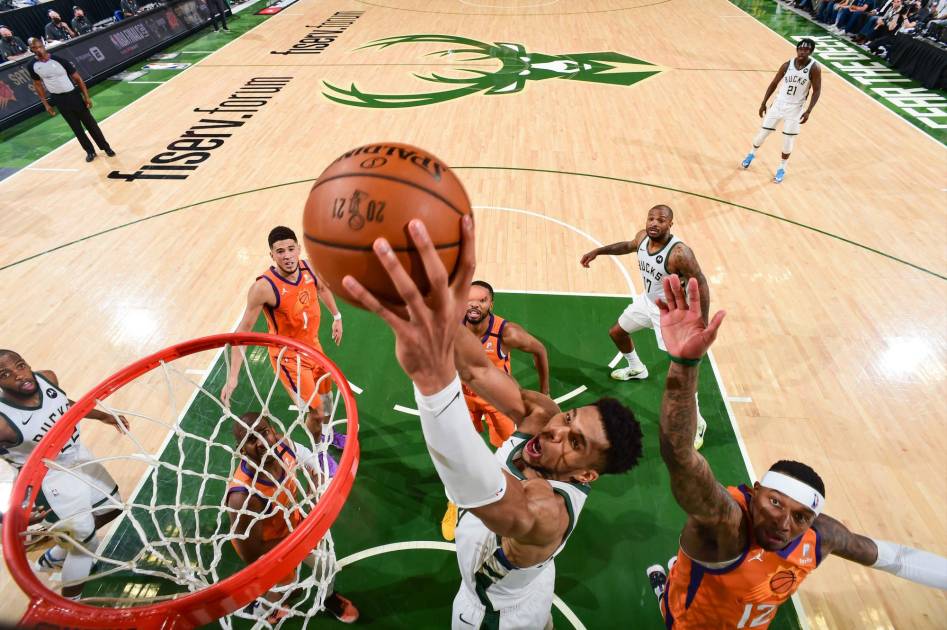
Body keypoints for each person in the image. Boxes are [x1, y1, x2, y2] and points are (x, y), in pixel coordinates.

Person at [343, 217, 644, 629]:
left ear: (587, 474)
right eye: (569, 418)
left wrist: (432, 386)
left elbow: (476, 487)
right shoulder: (543, 416)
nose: (555, 431)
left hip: (494, 616)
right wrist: (439, 313)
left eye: (574, 442)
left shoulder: (547, 513)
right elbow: (479, 371)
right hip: (533, 583)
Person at [644, 274, 947, 628]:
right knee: (675, 611)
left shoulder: (820, 536)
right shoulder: (727, 526)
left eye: (801, 517)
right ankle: (668, 592)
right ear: (755, 491)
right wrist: (684, 366)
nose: (784, 523)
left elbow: (895, 558)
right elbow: (680, 455)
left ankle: (675, 580)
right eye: (775, 502)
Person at [0, 350, 128, 599]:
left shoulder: (47, 378)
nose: (19, 375)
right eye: (5, 374)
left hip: (78, 458)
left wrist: (103, 416)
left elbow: (64, 404)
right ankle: (69, 603)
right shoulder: (3, 423)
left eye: (20, 365)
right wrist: (9, 514)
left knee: (112, 509)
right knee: (85, 548)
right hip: (50, 482)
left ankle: (55, 556)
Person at [579, 204, 709, 449]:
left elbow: (700, 282)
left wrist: (703, 321)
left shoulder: (680, 253)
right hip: (647, 302)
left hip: (672, 314)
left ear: (670, 224)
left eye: (661, 220)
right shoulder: (642, 238)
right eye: (651, 218)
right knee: (617, 333)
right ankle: (637, 368)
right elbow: (627, 245)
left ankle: (698, 422)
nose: (654, 223)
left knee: (681, 374)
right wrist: (599, 251)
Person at [221, 226, 345, 471]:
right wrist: (232, 376)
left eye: (290, 249)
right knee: (316, 412)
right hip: (289, 358)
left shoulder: (309, 268)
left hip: (314, 348)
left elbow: (322, 289)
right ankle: (319, 450)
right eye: (280, 251)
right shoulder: (264, 288)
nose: (287, 256)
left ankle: (328, 433)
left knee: (327, 398)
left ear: (298, 249)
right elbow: (242, 333)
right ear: (272, 255)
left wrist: (337, 316)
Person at [441, 279, 551, 541]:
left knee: (511, 454)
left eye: (481, 300)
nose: (474, 305)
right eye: (469, 299)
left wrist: (545, 392)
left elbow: (539, 350)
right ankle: (455, 501)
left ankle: (511, 502)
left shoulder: (506, 333)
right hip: (463, 399)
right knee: (458, 453)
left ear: (491, 303)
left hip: (497, 401)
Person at [227, 411, 358, 623]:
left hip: (294, 526)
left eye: (264, 432)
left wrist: (317, 480)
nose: (261, 442)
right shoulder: (243, 497)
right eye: (251, 439)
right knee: (284, 589)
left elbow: (310, 460)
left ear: (272, 431)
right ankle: (262, 610)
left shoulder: (283, 445)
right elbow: (251, 553)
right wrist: (297, 539)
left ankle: (328, 599)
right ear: (241, 448)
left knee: (326, 565)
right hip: (270, 547)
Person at [741, 39, 822, 184]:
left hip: (795, 108)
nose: (802, 51)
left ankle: (782, 168)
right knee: (762, 135)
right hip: (778, 104)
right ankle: (751, 154)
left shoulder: (814, 68)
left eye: (806, 50)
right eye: (800, 49)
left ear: (811, 52)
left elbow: (816, 91)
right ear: (797, 50)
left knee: (788, 140)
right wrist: (763, 103)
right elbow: (774, 83)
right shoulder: (787, 65)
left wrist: (809, 110)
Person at [28, 38, 115, 163]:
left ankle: (106, 148)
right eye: (34, 48)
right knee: (76, 128)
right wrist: (46, 104)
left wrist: (86, 97)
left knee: (91, 124)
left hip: (73, 96)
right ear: (31, 50)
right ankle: (90, 151)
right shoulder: (32, 66)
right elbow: (37, 85)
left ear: (43, 46)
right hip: (58, 99)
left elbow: (78, 79)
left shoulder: (59, 60)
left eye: (39, 46)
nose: (38, 49)